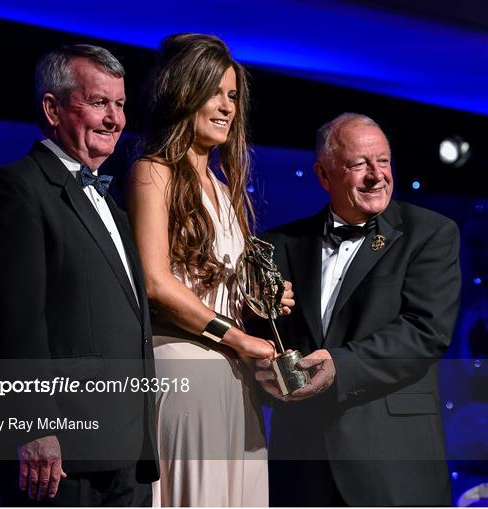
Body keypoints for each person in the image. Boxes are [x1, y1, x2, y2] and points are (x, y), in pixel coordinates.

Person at [0, 44, 158, 506]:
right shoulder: (15, 189)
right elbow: (9, 326)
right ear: (52, 109)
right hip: (58, 458)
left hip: (126, 453)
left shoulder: (112, 204)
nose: (115, 119)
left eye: (120, 104)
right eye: (98, 103)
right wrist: (34, 427)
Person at [254, 113, 461, 506]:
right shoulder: (278, 245)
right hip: (302, 461)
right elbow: (265, 335)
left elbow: (425, 332)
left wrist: (339, 366)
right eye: (358, 164)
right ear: (323, 174)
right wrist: (262, 364)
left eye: (382, 161)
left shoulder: (430, 233)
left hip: (392, 461)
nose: (376, 175)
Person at [128, 33, 293, 507]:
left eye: (233, 95)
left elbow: (220, 284)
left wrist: (261, 297)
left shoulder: (224, 189)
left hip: (232, 374)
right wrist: (238, 338)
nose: (226, 107)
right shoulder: (153, 171)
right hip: (185, 365)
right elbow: (155, 283)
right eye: (213, 92)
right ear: (183, 93)